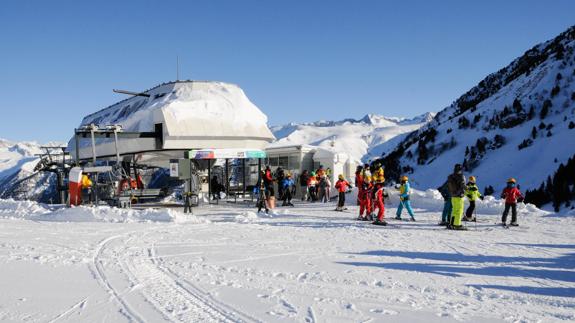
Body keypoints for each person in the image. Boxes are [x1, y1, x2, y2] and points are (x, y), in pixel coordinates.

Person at [447, 164, 467, 230]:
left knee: (454, 210)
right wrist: (468, 189)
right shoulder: (461, 176)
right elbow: (463, 185)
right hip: (459, 196)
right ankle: (457, 225)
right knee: (459, 211)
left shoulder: (451, 176)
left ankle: (452, 223)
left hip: (453, 196)